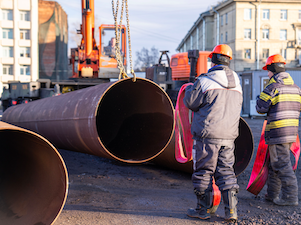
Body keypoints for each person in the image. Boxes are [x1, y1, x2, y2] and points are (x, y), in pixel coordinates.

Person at [183, 44, 242, 221]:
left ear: (213, 59)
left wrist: (188, 89)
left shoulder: (205, 81)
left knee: (203, 171)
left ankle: (203, 211)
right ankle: (231, 212)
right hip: (229, 137)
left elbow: (191, 103)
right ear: (229, 60)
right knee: (226, 172)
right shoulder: (237, 82)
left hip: (207, 136)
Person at [256, 54, 301, 206]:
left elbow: (260, 108)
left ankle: (290, 197)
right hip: (290, 133)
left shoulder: (273, 87)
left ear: (273, 70)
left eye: (268, 71)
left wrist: (259, 98)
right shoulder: (296, 89)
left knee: (281, 165)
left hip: (277, 132)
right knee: (274, 163)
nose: (267, 74)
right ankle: (272, 194)